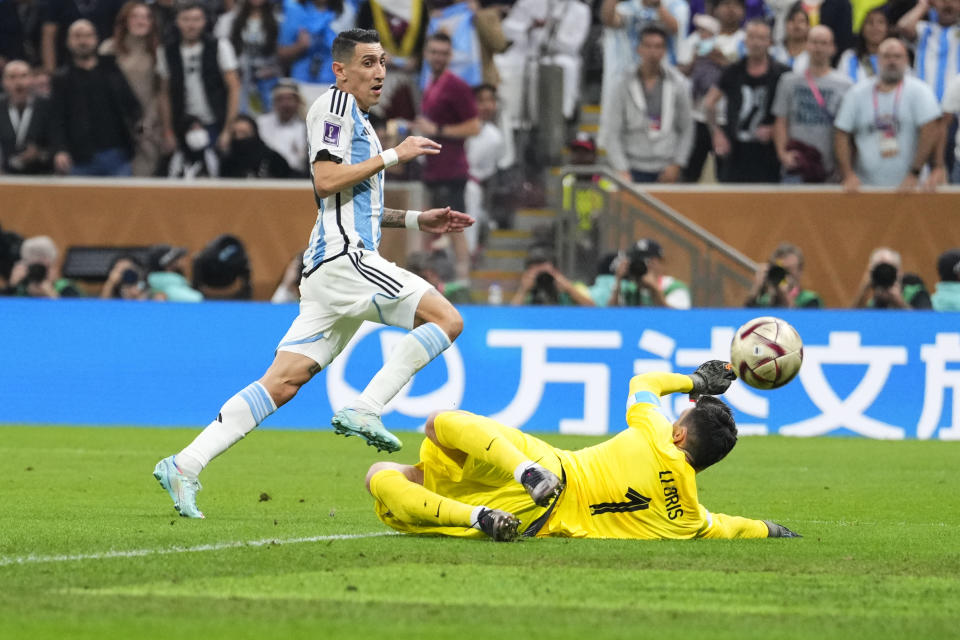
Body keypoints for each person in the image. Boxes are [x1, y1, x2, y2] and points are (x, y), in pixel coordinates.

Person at [153, 28, 474, 519]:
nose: (380, 72)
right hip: (347, 259)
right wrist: (396, 153)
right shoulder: (337, 108)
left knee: (281, 382)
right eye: (367, 62)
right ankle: (366, 406)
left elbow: (354, 201)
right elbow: (325, 183)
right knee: (446, 320)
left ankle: (184, 463)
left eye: (383, 62)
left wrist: (415, 219)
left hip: (329, 268)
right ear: (340, 70)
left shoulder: (357, 122)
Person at [364, 362, 802, 541]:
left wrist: (698, 383)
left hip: (550, 468)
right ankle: (478, 517)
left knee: (437, 425)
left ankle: (523, 473)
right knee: (387, 474)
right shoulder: (688, 517)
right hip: (537, 520)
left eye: (677, 424)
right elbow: (732, 527)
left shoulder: (655, 434)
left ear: (680, 437)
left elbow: (643, 385)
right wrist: (774, 529)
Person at [833, 38, 942, 192]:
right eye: (886, 56)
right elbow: (841, 133)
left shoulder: (920, 91)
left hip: (911, 186)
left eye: (897, 56)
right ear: (877, 60)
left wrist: (916, 171)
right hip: (865, 187)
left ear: (906, 60)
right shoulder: (856, 93)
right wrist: (848, 174)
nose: (892, 61)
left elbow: (931, 130)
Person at [49, 19, 141, 176]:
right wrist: (60, 150)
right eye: (77, 36)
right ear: (68, 41)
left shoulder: (112, 70)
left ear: (96, 39)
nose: (83, 41)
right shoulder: (61, 78)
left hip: (116, 154)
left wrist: (140, 134)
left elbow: (133, 106)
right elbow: (56, 119)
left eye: (88, 36)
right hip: (79, 158)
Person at [606, 25, 694, 184]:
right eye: (648, 46)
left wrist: (677, 164)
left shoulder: (678, 83)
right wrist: (621, 169)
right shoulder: (622, 84)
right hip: (632, 166)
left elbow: (687, 128)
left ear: (665, 50)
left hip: (667, 167)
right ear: (638, 49)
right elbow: (612, 131)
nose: (653, 52)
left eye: (658, 46)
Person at [704, 19, 789, 183]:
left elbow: (791, 111)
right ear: (745, 41)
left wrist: (775, 129)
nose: (756, 43)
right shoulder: (733, 71)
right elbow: (709, 103)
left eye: (761, 38)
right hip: (736, 153)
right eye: (752, 37)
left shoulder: (782, 74)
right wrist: (717, 133)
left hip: (768, 154)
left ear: (770, 42)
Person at [599, 0, 690, 150]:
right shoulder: (628, 6)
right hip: (628, 79)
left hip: (662, 81)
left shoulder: (676, 5)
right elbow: (610, 20)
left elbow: (674, 28)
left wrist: (657, 5)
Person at [99, 1, 174, 176]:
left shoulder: (158, 52)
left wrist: (148, 121)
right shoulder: (108, 49)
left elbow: (161, 92)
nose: (141, 21)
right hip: (114, 127)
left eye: (146, 17)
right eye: (135, 17)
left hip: (147, 128)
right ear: (125, 21)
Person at [157, 2, 241, 154]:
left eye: (196, 19)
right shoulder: (166, 51)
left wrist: (228, 129)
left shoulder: (220, 46)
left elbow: (234, 87)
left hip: (215, 121)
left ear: (204, 21)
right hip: (182, 123)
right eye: (186, 19)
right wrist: (167, 131)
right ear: (177, 21)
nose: (191, 25)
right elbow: (164, 93)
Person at [772, 25, 852, 183]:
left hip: (830, 168)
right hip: (796, 164)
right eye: (814, 42)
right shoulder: (788, 81)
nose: (818, 48)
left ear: (833, 48)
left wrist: (845, 166)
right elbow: (781, 121)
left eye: (824, 43)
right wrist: (782, 154)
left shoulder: (846, 85)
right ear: (807, 46)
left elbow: (848, 131)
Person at [677, 1, 747, 183]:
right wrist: (696, 60)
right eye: (725, 3)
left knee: (726, 176)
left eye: (735, 4)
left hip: (728, 119)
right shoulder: (696, 38)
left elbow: (748, 75)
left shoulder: (745, 40)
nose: (730, 9)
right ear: (715, 9)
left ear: (743, 11)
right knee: (689, 174)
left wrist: (724, 62)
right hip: (697, 116)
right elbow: (681, 71)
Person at [278, 0, 354, 108]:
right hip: (302, 83)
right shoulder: (294, 10)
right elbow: (281, 53)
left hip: (335, 83)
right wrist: (299, 46)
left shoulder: (345, 10)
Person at [215, 0, 281, 114]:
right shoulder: (230, 19)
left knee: (269, 111)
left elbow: (281, 49)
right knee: (242, 112)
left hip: (268, 76)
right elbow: (220, 47)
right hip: (241, 75)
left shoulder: (278, 19)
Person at [464, 83, 506, 254]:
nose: (486, 106)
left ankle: (467, 261)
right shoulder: (461, 125)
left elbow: (490, 172)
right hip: (448, 183)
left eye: (490, 101)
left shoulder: (494, 135)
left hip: (472, 186)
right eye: (480, 101)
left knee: (468, 233)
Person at [897, 0, 960, 102]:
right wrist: (923, 4)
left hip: (956, 107)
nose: (948, 4)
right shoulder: (924, 29)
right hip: (924, 106)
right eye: (943, 0)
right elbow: (904, 26)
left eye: (953, 0)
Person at [603, 238, 691, 309]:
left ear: (660, 262)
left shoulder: (673, 288)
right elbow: (611, 317)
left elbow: (678, 320)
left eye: (647, 261)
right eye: (636, 261)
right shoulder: (631, 290)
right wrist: (618, 282)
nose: (642, 266)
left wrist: (655, 289)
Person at [0, 59, 53, 174]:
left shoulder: (47, 107)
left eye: (23, 76)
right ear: (3, 82)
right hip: (5, 177)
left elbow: (56, 141)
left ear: (32, 80)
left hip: (43, 176)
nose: (18, 82)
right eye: (12, 77)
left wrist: (40, 154)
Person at [745, 242, 823, 308]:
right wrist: (756, 289)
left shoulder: (810, 300)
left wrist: (786, 297)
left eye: (789, 270)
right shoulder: (765, 301)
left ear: (800, 271)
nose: (784, 275)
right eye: (780, 270)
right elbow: (745, 321)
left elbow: (804, 323)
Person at [510, 245, 594, 306]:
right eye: (538, 274)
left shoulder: (574, 287)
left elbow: (594, 311)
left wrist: (569, 289)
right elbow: (511, 317)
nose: (543, 278)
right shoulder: (528, 290)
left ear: (556, 270)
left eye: (545, 273)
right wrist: (523, 291)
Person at [851, 246, 932, 309]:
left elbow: (927, 323)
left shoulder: (914, 291)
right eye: (879, 270)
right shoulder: (873, 302)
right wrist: (864, 289)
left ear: (900, 272)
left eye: (888, 269)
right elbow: (850, 323)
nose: (884, 273)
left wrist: (899, 302)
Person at [256, 79, 308, 176]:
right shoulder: (261, 123)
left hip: (294, 176)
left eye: (289, 99)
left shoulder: (306, 127)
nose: (285, 104)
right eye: (280, 99)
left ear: (297, 102)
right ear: (274, 102)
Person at [219, 113, 293, 177]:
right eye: (234, 134)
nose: (239, 138)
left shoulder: (273, 159)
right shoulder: (227, 163)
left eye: (244, 133)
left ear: (254, 134)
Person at [835, 6, 888, 83]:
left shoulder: (895, 56)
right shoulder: (849, 56)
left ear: (887, 29)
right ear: (862, 29)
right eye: (870, 22)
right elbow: (841, 85)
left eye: (880, 22)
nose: (875, 27)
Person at [770, 2, 811, 72]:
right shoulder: (773, 52)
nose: (796, 25)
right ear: (785, 25)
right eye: (792, 20)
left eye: (801, 21)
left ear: (808, 26)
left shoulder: (813, 54)